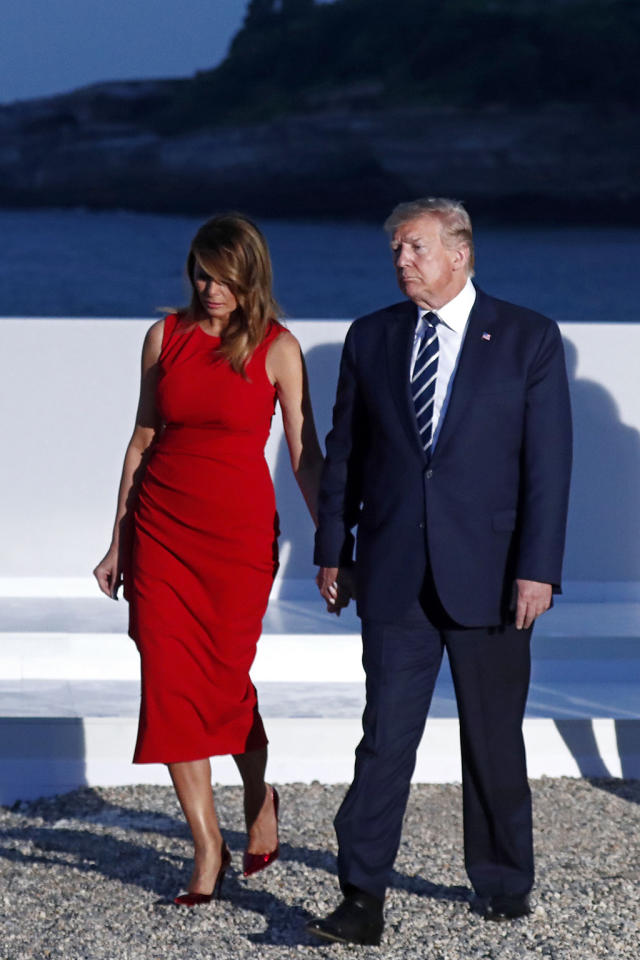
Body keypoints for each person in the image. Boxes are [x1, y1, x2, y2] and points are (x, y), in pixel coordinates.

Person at [308, 197, 572, 945]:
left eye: (415, 248)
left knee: (493, 737)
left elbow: (547, 470)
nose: (401, 261)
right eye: (395, 249)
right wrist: (334, 548)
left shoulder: (528, 338)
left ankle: (502, 881)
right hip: (393, 573)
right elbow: (347, 455)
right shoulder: (371, 338)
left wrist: (538, 570)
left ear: (460, 253)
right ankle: (361, 896)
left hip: (492, 577)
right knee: (385, 740)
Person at [94, 213, 323, 905]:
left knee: (223, 683)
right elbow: (141, 440)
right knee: (168, 682)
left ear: (249, 275)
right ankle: (206, 847)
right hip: (162, 530)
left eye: (223, 276)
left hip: (237, 539)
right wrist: (118, 540)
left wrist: (334, 544)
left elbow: (305, 454)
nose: (210, 287)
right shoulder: (164, 335)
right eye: (201, 272)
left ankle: (258, 794)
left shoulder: (279, 348)